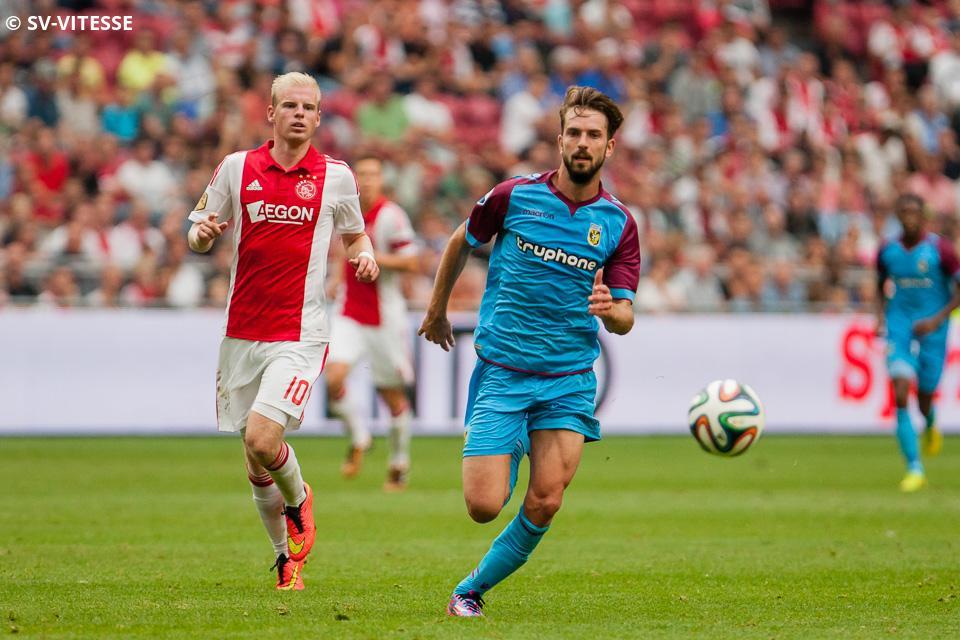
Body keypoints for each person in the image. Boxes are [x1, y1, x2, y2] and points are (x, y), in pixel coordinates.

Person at [419, 86, 640, 616]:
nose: (582, 143)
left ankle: (469, 590)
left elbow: (626, 317)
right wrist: (437, 310)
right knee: (483, 505)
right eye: (574, 133)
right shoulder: (514, 196)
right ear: (559, 140)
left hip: (568, 379)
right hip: (505, 369)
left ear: (609, 146)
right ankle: (514, 438)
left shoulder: (618, 224)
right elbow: (461, 240)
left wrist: (610, 309)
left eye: (594, 135)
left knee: (546, 500)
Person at [186, 72, 379, 590]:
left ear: (318, 117)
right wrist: (202, 234)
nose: (299, 114)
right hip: (241, 332)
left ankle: (300, 499)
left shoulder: (336, 176)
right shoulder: (237, 167)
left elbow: (356, 235)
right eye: (290, 105)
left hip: (299, 334)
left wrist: (365, 257)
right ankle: (284, 559)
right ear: (271, 113)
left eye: (308, 107)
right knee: (254, 458)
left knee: (262, 437)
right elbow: (199, 232)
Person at [325, 155, 420, 490]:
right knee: (333, 378)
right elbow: (343, 248)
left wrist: (371, 256)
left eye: (372, 174)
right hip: (349, 311)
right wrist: (337, 278)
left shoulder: (392, 216)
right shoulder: (346, 210)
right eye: (361, 174)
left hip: (383, 318)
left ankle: (399, 463)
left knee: (391, 396)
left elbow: (412, 262)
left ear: (381, 180)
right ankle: (360, 436)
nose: (365, 180)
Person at [876, 193, 956, 493]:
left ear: (923, 216)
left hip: (933, 329)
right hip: (900, 327)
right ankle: (914, 468)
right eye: (904, 211)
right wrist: (879, 317)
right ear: (898, 215)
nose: (909, 216)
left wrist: (937, 319)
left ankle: (930, 421)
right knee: (899, 392)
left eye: (914, 211)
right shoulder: (887, 250)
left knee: (924, 397)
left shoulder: (941, 250)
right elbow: (879, 284)